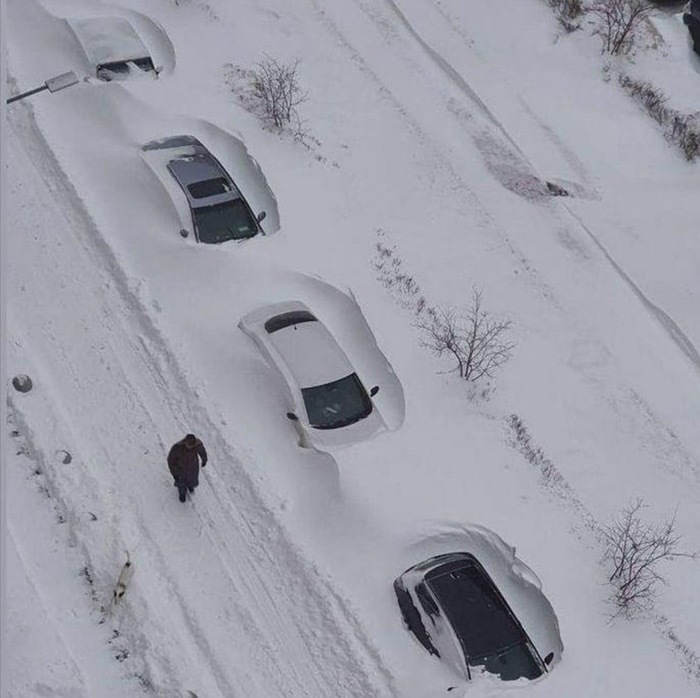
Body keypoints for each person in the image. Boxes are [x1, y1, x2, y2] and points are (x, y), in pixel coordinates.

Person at [167, 434, 208, 503]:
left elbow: (202, 451)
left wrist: (204, 460)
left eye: (192, 446)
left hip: (192, 468)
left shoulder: (197, 445)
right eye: (189, 445)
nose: (190, 447)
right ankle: (182, 494)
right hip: (180, 469)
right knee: (181, 483)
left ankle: (190, 486)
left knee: (192, 479)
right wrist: (174, 474)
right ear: (185, 442)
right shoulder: (177, 448)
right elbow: (171, 461)